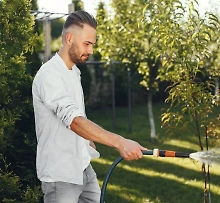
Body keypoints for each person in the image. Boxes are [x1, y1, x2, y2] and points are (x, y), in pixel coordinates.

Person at [32, 10, 147, 203]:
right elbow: (74, 120)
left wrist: (87, 140)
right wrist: (120, 142)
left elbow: (78, 115)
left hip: (83, 168)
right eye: (87, 44)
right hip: (61, 177)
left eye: (92, 44)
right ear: (69, 38)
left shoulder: (73, 72)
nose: (91, 50)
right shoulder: (49, 75)